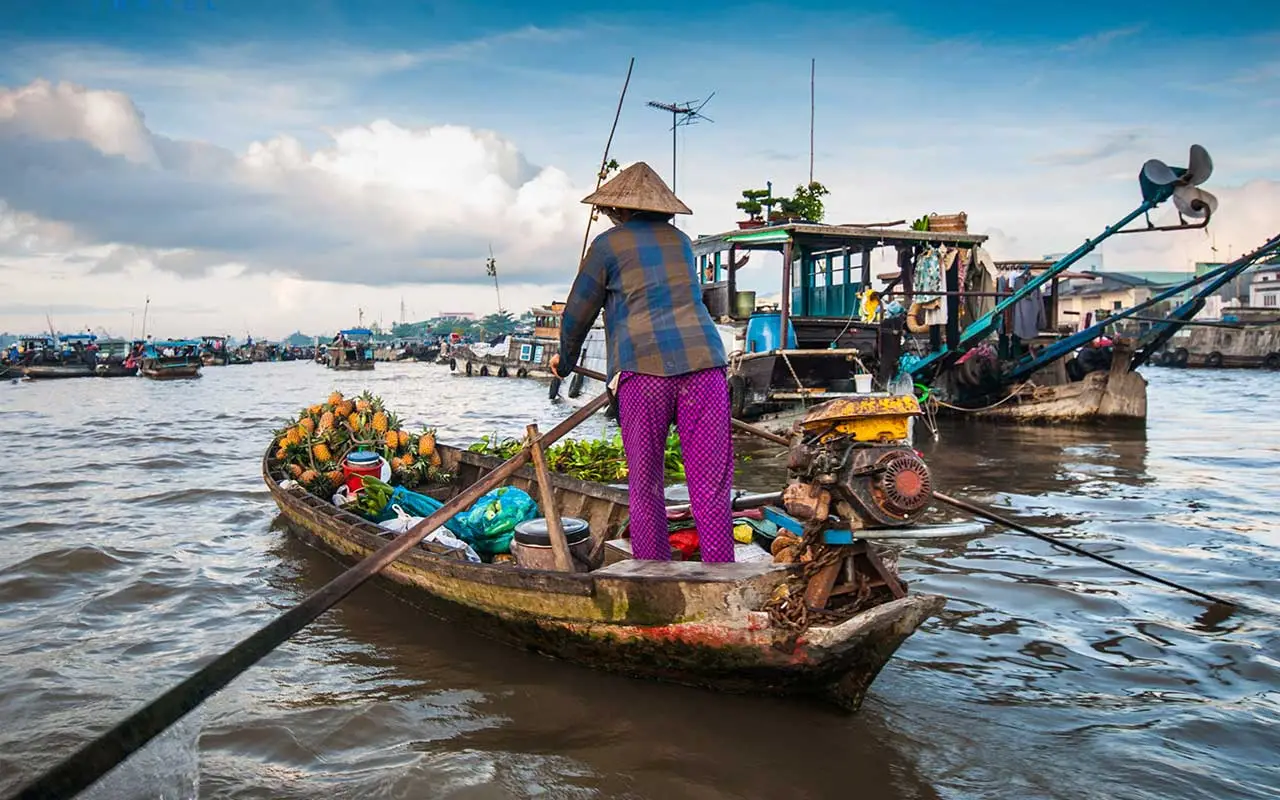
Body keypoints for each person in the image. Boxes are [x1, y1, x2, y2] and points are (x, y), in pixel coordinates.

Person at [549, 162, 734, 563]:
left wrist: (563, 363)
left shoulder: (606, 245)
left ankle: (653, 569)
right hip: (705, 366)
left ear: (619, 211)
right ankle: (721, 570)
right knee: (711, 483)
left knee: (646, 482)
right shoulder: (682, 242)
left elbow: (578, 311)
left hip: (643, 372)